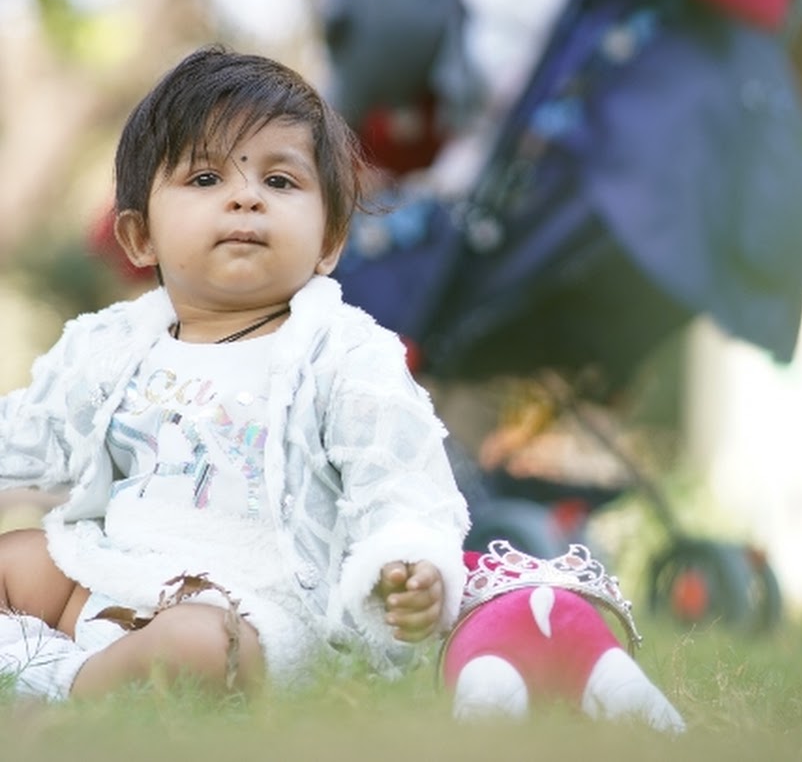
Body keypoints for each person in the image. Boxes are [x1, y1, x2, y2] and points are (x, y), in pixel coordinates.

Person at [0, 45, 470, 701]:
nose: (247, 197)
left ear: (330, 240)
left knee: (202, 646)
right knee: (12, 559)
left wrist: (411, 558)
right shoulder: (113, 342)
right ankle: (85, 674)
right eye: (205, 179)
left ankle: (59, 688)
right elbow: (26, 437)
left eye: (280, 182)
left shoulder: (343, 354)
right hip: (107, 574)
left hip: (254, 609)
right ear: (141, 240)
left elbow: (401, 480)